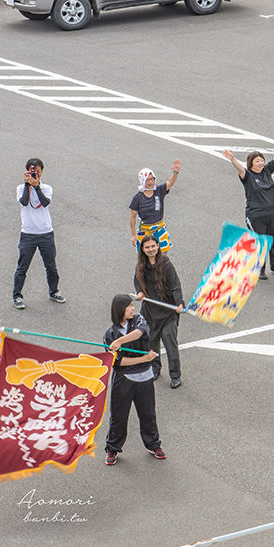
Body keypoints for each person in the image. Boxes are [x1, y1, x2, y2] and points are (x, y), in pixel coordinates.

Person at [222, 132, 274, 279]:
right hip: (255, 216)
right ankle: (258, 269)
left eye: (261, 160)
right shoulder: (248, 176)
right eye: (257, 161)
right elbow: (240, 169)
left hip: (271, 214)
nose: (261, 163)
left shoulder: (267, 171)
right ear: (251, 164)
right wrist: (233, 159)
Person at [103, 294, 163, 466]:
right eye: (129, 306)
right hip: (124, 379)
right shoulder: (109, 334)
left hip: (144, 377)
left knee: (148, 414)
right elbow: (118, 362)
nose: (132, 308)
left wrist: (119, 342)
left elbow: (139, 333)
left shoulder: (138, 320)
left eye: (132, 305)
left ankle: (153, 445)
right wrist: (143, 359)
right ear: (119, 309)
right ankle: (113, 448)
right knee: (119, 417)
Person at [13, 157, 65, 310]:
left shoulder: (47, 188)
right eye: (31, 170)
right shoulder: (20, 188)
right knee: (22, 267)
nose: (35, 173)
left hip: (46, 233)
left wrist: (36, 187)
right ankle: (17, 296)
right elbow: (23, 202)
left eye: (37, 171)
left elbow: (45, 202)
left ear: (42, 172)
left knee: (51, 266)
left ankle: (54, 291)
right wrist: (27, 185)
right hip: (28, 234)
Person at [134, 235, 185, 389]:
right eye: (147, 247)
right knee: (151, 343)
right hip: (149, 311)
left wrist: (179, 303)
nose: (151, 250)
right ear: (143, 249)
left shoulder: (166, 264)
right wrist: (139, 292)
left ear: (158, 246)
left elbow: (176, 285)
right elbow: (137, 280)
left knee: (170, 344)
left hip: (167, 312)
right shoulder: (141, 265)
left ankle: (175, 375)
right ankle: (155, 369)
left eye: (153, 246)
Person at [129, 161, 181, 253]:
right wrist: (133, 235)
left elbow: (169, 183)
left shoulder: (159, 190)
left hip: (159, 229)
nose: (150, 182)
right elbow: (132, 216)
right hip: (145, 230)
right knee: (145, 258)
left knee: (163, 257)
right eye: (147, 180)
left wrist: (175, 173)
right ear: (142, 181)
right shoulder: (137, 198)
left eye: (152, 179)